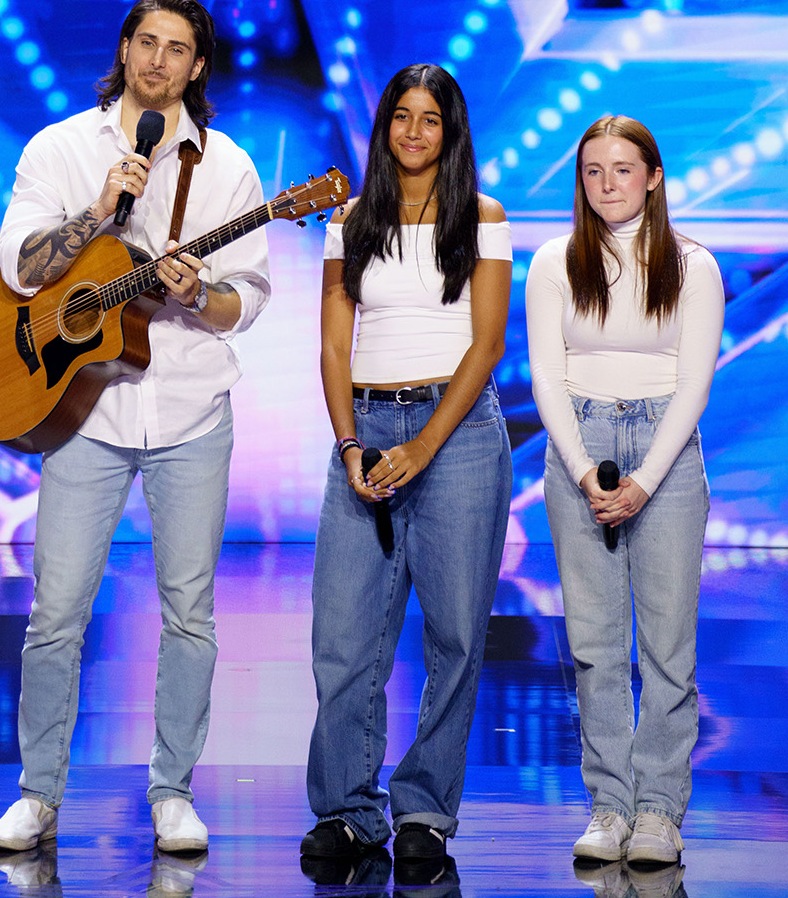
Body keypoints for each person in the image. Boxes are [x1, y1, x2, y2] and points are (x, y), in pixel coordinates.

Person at [0, 0, 271, 853]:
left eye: (177, 48)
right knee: (56, 610)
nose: (157, 60)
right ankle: (39, 794)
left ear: (198, 66)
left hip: (189, 411)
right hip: (85, 414)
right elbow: (22, 269)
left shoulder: (230, 168)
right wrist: (98, 212)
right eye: (145, 41)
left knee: (189, 611)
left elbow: (245, 299)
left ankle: (173, 789)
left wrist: (199, 292)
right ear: (123, 49)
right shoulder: (61, 147)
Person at [303, 64, 512, 867]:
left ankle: (424, 807)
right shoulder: (349, 220)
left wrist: (422, 446)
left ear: (451, 131)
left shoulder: (482, 218)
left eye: (431, 119)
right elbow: (331, 340)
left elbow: (487, 343)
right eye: (401, 116)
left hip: (455, 434)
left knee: (456, 633)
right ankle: (349, 808)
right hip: (366, 421)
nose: (415, 132)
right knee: (346, 634)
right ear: (384, 126)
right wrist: (352, 442)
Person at [527, 116, 722, 865]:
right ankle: (609, 804)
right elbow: (547, 373)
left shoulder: (692, 263)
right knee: (594, 644)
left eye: (622, 169)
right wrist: (583, 470)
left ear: (654, 176)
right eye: (592, 171)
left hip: (664, 451)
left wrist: (643, 480)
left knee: (668, 643)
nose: (607, 184)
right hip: (579, 446)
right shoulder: (553, 260)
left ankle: (659, 812)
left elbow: (695, 382)